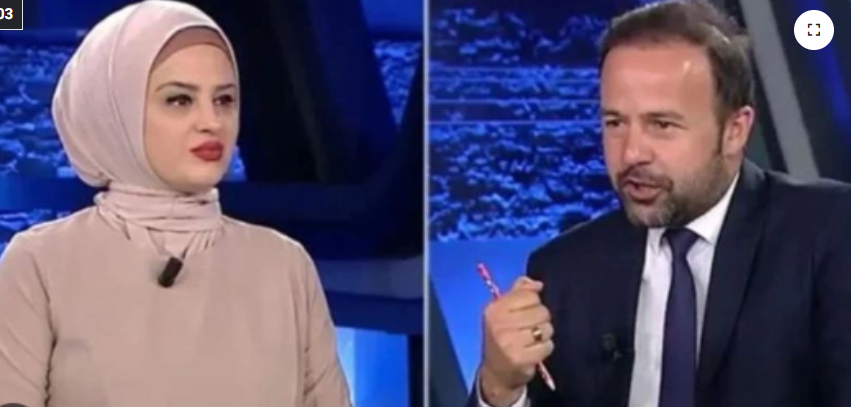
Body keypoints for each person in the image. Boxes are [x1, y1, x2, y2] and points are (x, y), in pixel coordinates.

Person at [472, 1, 851, 407]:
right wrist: (500, 386)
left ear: (735, 131)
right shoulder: (564, 271)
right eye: (615, 123)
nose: (631, 153)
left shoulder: (828, 232)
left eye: (662, 124)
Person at [0, 1, 352, 406]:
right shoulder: (40, 264)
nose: (212, 122)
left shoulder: (286, 267)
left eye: (224, 100)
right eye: (180, 100)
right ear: (115, 112)